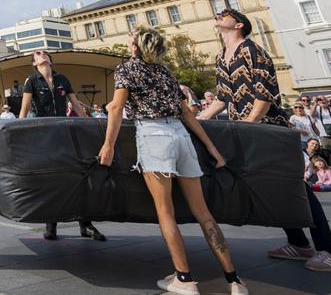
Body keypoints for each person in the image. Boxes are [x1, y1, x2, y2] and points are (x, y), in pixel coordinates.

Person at [100, 28, 245, 295]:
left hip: (153, 135)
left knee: (166, 213)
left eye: (130, 40)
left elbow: (118, 108)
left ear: (135, 48)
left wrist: (108, 144)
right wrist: (212, 147)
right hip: (181, 136)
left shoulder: (127, 69)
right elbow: (187, 114)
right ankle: (234, 280)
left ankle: (184, 278)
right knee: (204, 214)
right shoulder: (165, 72)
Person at [199, 9, 331, 272]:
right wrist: (197, 121)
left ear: (239, 24)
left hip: (268, 130)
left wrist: (250, 125)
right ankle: (299, 244)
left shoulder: (254, 51)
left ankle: (330, 252)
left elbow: (264, 94)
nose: (217, 17)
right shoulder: (221, 57)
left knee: (294, 188)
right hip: (243, 131)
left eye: (224, 15)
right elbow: (222, 98)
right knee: (270, 189)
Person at [18, 50, 105, 242]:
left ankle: (85, 224)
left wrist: (88, 126)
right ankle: (51, 224)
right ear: (35, 63)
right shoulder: (31, 82)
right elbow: (24, 109)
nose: (42, 54)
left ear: (50, 60)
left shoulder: (62, 79)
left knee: (78, 176)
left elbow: (76, 105)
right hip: (44, 134)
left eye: (44, 53)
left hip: (65, 132)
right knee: (51, 180)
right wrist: (19, 133)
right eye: (38, 54)